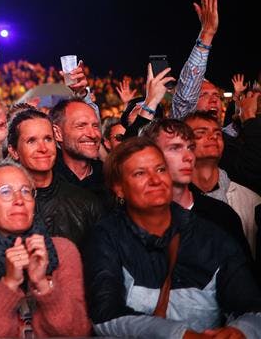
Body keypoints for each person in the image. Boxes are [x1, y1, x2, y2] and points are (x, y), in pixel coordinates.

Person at [85, 137, 261, 337]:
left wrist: (241, 330)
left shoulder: (211, 237)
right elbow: (104, 315)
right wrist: (179, 334)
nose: (155, 180)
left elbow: (252, 307)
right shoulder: (106, 237)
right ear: (119, 188)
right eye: (140, 173)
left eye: (160, 170)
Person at [0, 160, 90, 337]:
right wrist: (9, 284)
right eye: (5, 191)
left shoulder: (64, 251)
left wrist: (43, 284)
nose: (19, 200)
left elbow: (77, 331)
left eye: (26, 191)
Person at [142, 118, 251, 259]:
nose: (188, 157)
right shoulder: (131, 221)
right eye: (175, 148)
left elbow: (242, 277)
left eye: (190, 148)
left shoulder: (222, 215)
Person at [8, 109, 103, 248]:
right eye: (31, 141)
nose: (43, 148)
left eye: (48, 139)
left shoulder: (86, 202)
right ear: (14, 151)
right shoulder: (3, 203)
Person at [184, 111, 261, 256]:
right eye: (201, 133)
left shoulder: (251, 202)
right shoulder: (171, 203)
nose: (213, 137)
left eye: (218, 133)